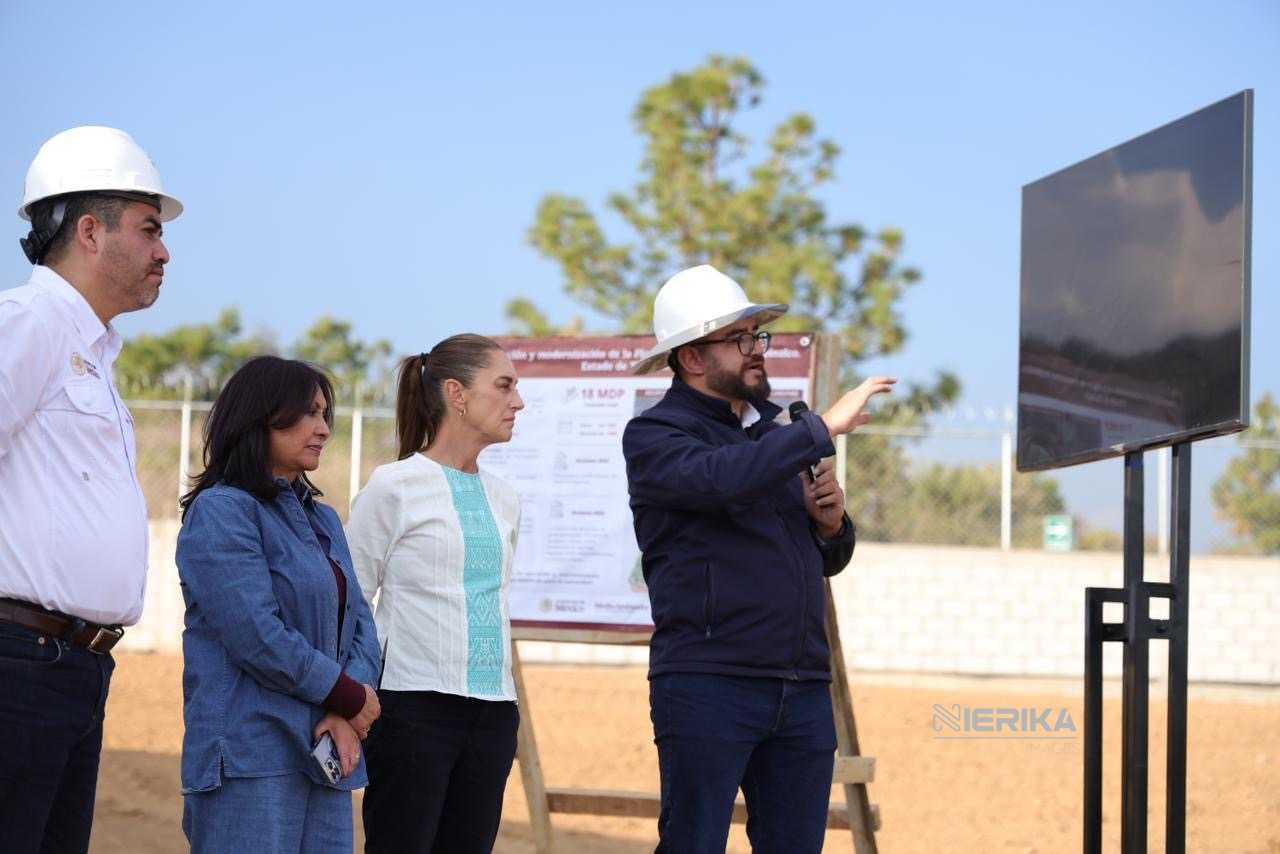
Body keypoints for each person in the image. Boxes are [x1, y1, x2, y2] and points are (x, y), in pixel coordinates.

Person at [623, 264, 896, 854]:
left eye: (758, 337)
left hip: (800, 688)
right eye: (741, 339)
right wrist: (821, 427)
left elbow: (825, 557)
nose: (758, 351)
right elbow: (720, 479)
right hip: (708, 684)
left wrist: (829, 526)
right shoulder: (654, 437)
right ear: (693, 358)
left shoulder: (771, 432)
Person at [0, 126, 182, 853]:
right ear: (87, 231)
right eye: (148, 229)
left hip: (70, 671)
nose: (164, 251)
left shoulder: (89, 352)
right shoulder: (29, 322)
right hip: (19, 667)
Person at [175, 356, 382, 853]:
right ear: (260, 417)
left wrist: (346, 714)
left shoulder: (325, 520)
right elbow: (257, 636)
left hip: (326, 754)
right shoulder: (222, 512)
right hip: (251, 755)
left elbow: (360, 624)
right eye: (309, 413)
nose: (324, 429)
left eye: (325, 414)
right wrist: (349, 697)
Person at [347, 334, 524, 854]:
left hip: (494, 713)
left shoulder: (507, 499)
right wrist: (352, 699)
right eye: (505, 385)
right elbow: (352, 602)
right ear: (457, 394)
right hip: (411, 709)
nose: (518, 401)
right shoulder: (393, 486)